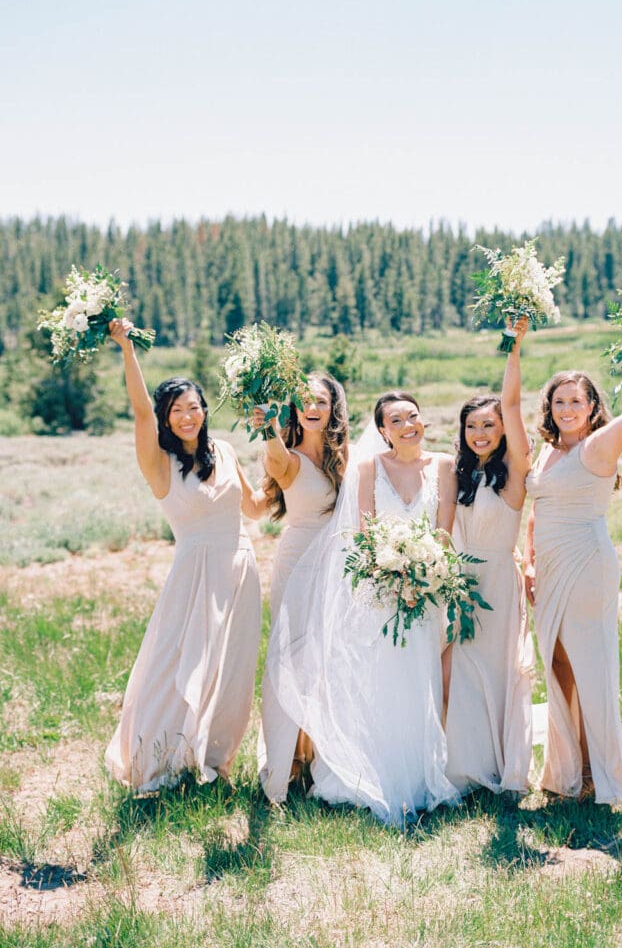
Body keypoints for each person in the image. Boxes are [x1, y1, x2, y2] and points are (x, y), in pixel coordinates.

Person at [265, 391, 461, 825]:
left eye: (413, 415)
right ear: (383, 430)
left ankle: (418, 776)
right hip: (382, 590)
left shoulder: (445, 467)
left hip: (426, 591)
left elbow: (444, 532)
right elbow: (365, 532)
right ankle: (369, 772)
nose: (408, 424)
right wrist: (392, 578)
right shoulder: (369, 468)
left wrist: (425, 576)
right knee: (382, 680)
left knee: (419, 680)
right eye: (396, 420)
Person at [105, 318, 265, 793]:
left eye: (194, 406)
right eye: (177, 410)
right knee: (175, 666)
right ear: (166, 416)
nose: (188, 415)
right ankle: (159, 758)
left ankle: (214, 762)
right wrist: (127, 348)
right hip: (194, 573)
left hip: (240, 568)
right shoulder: (160, 463)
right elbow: (138, 413)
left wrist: (291, 463)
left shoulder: (226, 449)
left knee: (231, 670)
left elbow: (255, 507)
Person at [523, 362, 622, 806]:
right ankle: (566, 769)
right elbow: (538, 511)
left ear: (593, 407)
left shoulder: (597, 446)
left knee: (589, 667)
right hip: (550, 569)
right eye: (559, 401)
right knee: (558, 665)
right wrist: (530, 563)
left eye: (576, 400)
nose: (567, 408)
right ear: (549, 408)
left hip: (587, 564)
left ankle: (596, 773)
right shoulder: (548, 451)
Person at [445, 319, 534, 796]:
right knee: (464, 670)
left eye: (490, 425)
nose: (481, 433)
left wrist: (513, 350)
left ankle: (505, 766)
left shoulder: (516, 471)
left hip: (499, 580)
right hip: (460, 581)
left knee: (500, 670)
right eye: (473, 426)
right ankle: (466, 764)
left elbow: (515, 405)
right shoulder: (456, 473)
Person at [254, 373, 349, 803]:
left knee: (328, 659)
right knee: (290, 657)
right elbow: (273, 456)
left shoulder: (346, 458)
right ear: (295, 408)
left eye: (322, 400)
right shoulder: (287, 458)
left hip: (336, 564)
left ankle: (321, 755)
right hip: (297, 564)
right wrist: (266, 428)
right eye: (305, 400)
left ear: (334, 408)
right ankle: (286, 759)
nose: (313, 406)